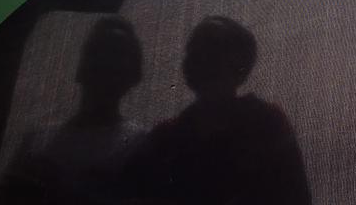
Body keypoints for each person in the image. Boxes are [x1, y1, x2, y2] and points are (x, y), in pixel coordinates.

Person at [126, 16, 311, 204]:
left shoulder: (268, 126)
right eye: (195, 51)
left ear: (240, 67)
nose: (200, 60)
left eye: (213, 51)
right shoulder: (166, 139)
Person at [2, 17, 145, 204]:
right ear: (81, 66)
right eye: (98, 52)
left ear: (133, 75)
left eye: (117, 55)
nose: (105, 64)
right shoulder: (35, 141)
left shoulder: (141, 146)